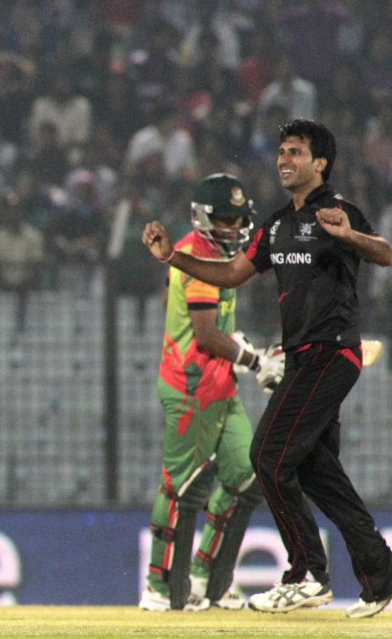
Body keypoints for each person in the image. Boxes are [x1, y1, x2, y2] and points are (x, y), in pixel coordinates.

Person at [142, 119, 392, 619]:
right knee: (318, 474)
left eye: (295, 152)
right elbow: (232, 273)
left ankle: (306, 574)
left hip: (330, 353)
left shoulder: (337, 212)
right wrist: (174, 257)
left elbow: (385, 253)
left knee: (267, 456)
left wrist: (352, 237)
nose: (284, 159)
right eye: (282, 151)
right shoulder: (276, 225)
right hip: (302, 356)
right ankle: (379, 576)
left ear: (319, 163)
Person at [138, 174, 266, 612]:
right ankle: (159, 587)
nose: (234, 228)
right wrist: (254, 360)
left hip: (219, 386)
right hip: (191, 388)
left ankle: (203, 579)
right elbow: (207, 336)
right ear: (204, 218)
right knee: (182, 488)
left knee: (248, 475)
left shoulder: (206, 257)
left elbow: (193, 317)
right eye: (226, 221)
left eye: (238, 220)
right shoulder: (196, 254)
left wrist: (239, 347)